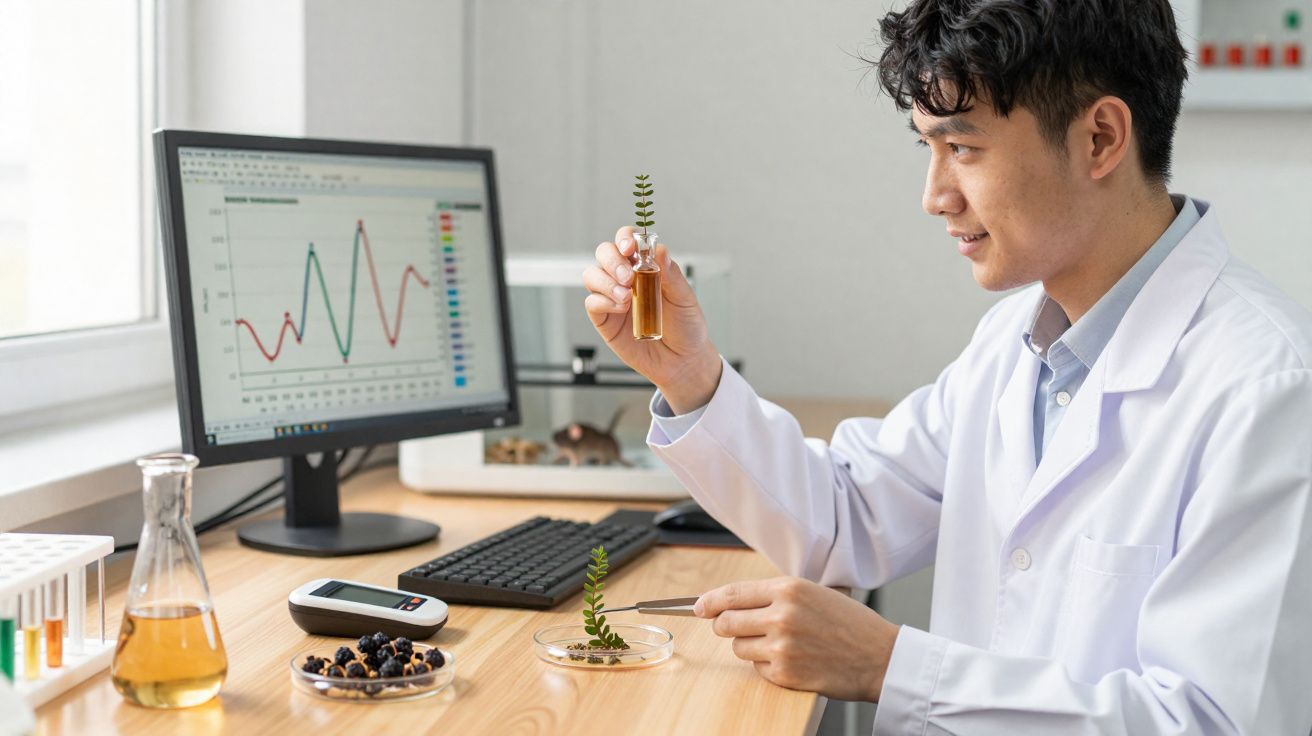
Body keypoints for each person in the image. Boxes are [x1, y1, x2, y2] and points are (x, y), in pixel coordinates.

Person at [582, 0, 1312, 732]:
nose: (934, 197)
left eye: (962, 148)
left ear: (1100, 138)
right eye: (926, 148)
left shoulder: (1268, 388)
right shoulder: (1014, 347)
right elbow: (845, 518)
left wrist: (888, 665)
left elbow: (1214, 722)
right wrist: (689, 376)